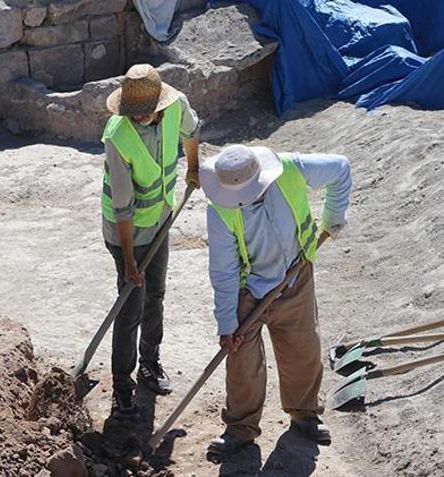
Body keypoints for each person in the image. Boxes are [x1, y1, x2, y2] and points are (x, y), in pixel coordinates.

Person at [200, 144, 352, 457]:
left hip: (296, 274)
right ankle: (240, 429)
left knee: (302, 349)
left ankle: (304, 414)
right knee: (242, 363)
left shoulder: (291, 168)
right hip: (249, 291)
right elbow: (223, 272)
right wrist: (227, 324)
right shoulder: (220, 211)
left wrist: (333, 219)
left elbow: (340, 168)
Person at [101, 64, 201, 419]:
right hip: (126, 234)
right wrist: (129, 262)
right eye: (134, 112)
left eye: (145, 110)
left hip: (160, 220)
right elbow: (123, 207)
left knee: (155, 294)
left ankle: (150, 363)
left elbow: (192, 131)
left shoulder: (176, 106)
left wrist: (193, 167)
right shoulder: (117, 136)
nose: (139, 116)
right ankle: (121, 386)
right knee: (130, 307)